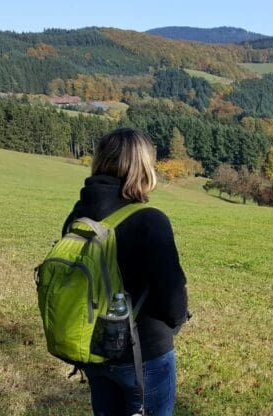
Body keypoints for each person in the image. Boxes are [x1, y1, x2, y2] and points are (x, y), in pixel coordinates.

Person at [61, 128, 189, 416]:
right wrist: (178, 321)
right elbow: (173, 301)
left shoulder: (78, 216)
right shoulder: (148, 220)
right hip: (145, 356)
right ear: (142, 168)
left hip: (94, 351)